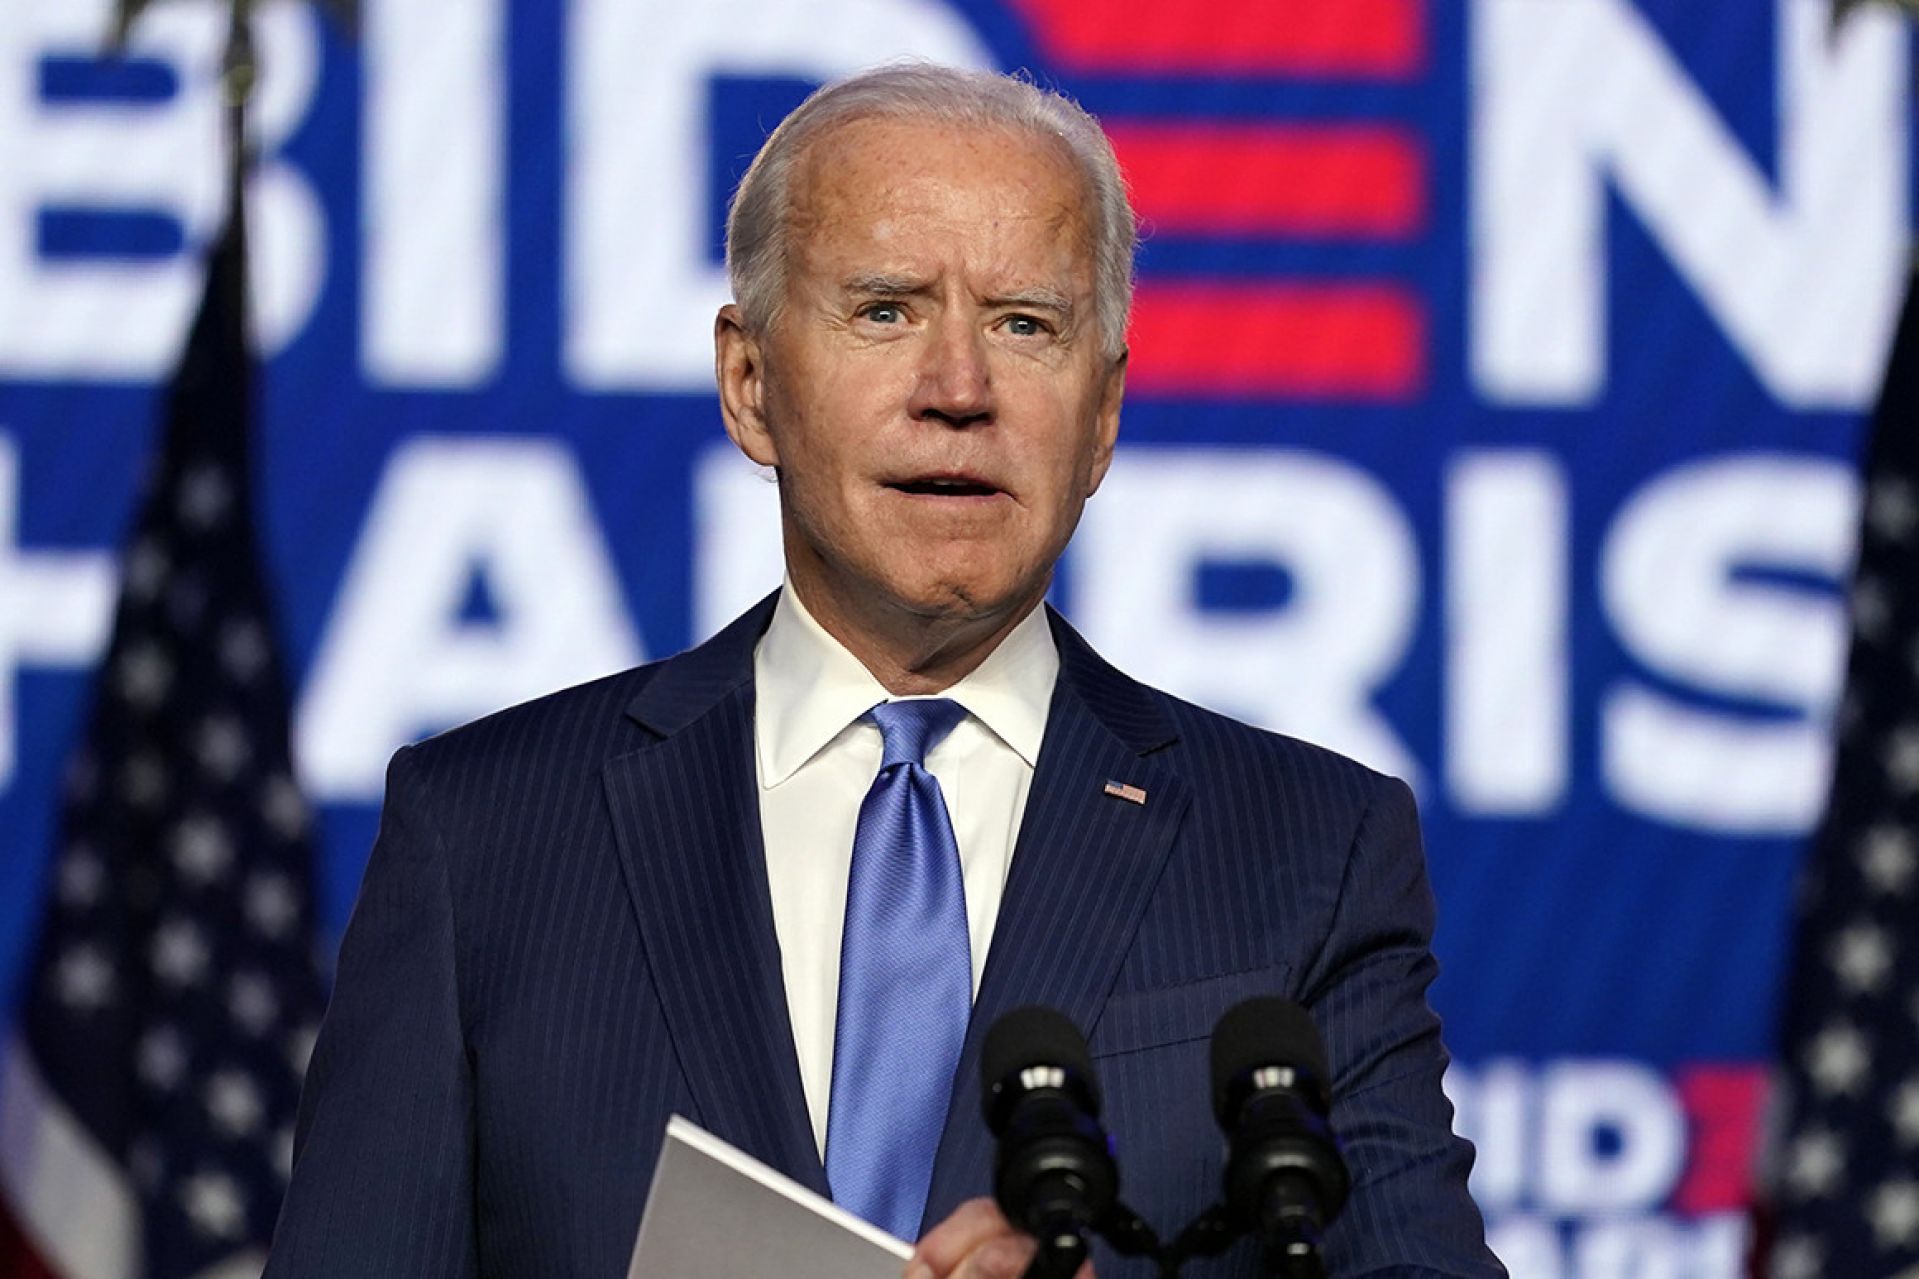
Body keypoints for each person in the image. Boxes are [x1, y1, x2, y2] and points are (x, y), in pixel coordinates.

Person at [264, 64, 1501, 1278]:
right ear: (750, 384)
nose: (957, 391)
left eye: (1025, 324)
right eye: (885, 311)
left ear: (1103, 414)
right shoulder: (489, 834)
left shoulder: (1305, 849)